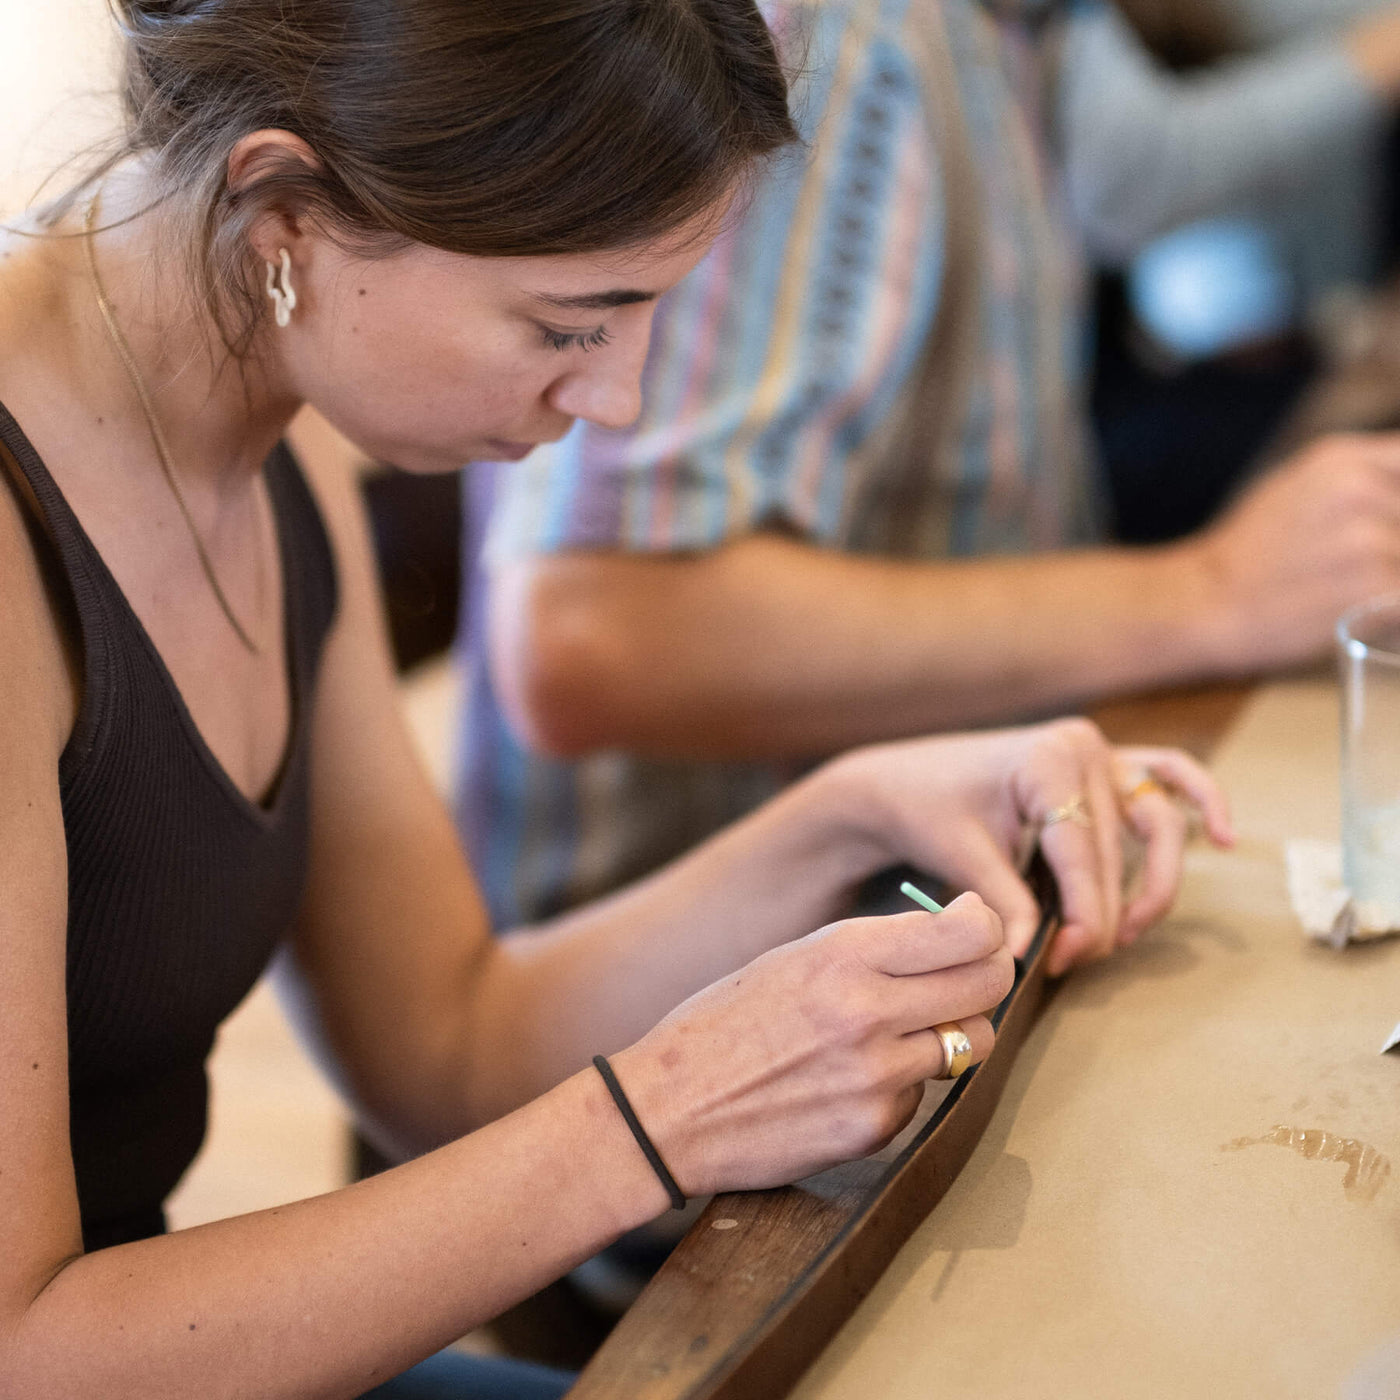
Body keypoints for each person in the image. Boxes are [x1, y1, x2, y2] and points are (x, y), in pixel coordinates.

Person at [0, 1, 1231, 1397]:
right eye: (566, 325)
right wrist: (661, 1116)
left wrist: (853, 811)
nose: (620, 401)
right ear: (283, 212)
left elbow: (446, 1043)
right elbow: (27, 1352)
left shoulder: (270, 417)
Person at [457, 0, 1400, 931]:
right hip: (714, 968)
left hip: (930, 891)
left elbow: (1153, 173)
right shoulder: (839, 45)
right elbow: (591, 635)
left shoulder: (999, 35)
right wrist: (1212, 591)